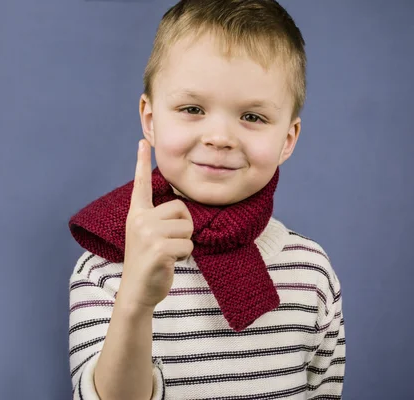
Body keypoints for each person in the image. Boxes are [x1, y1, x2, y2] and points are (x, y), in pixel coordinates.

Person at [68, 1, 345, 398]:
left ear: (287, 139)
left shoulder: (312, 272)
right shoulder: (106, 267)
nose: (220, 137)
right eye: (192, 109)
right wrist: (135, 301)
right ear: (150, 119)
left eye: (252, 117)